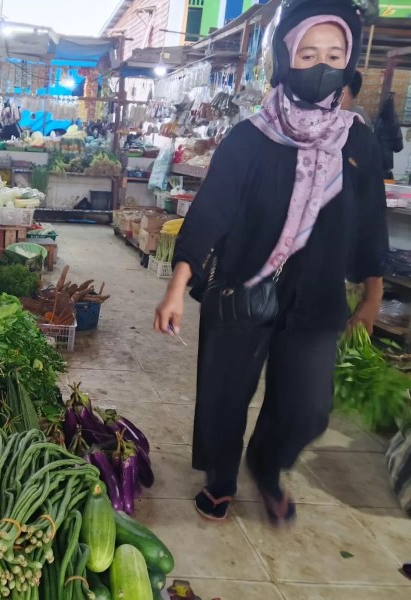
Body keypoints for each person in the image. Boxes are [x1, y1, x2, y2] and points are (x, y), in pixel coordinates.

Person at [153, 0, 388, 525]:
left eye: (333, 53)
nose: (321, 65)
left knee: (307, 408)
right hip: (241, 289)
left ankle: (267, 465)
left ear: (348, 61)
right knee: (224, 396)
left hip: (318, 301)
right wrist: (177, 284)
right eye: (307, 54)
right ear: (286, 59)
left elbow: (371, 221)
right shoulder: (250, 137)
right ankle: (220, 478)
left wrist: (372, 296)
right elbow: (212, 210)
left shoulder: (358, 142)